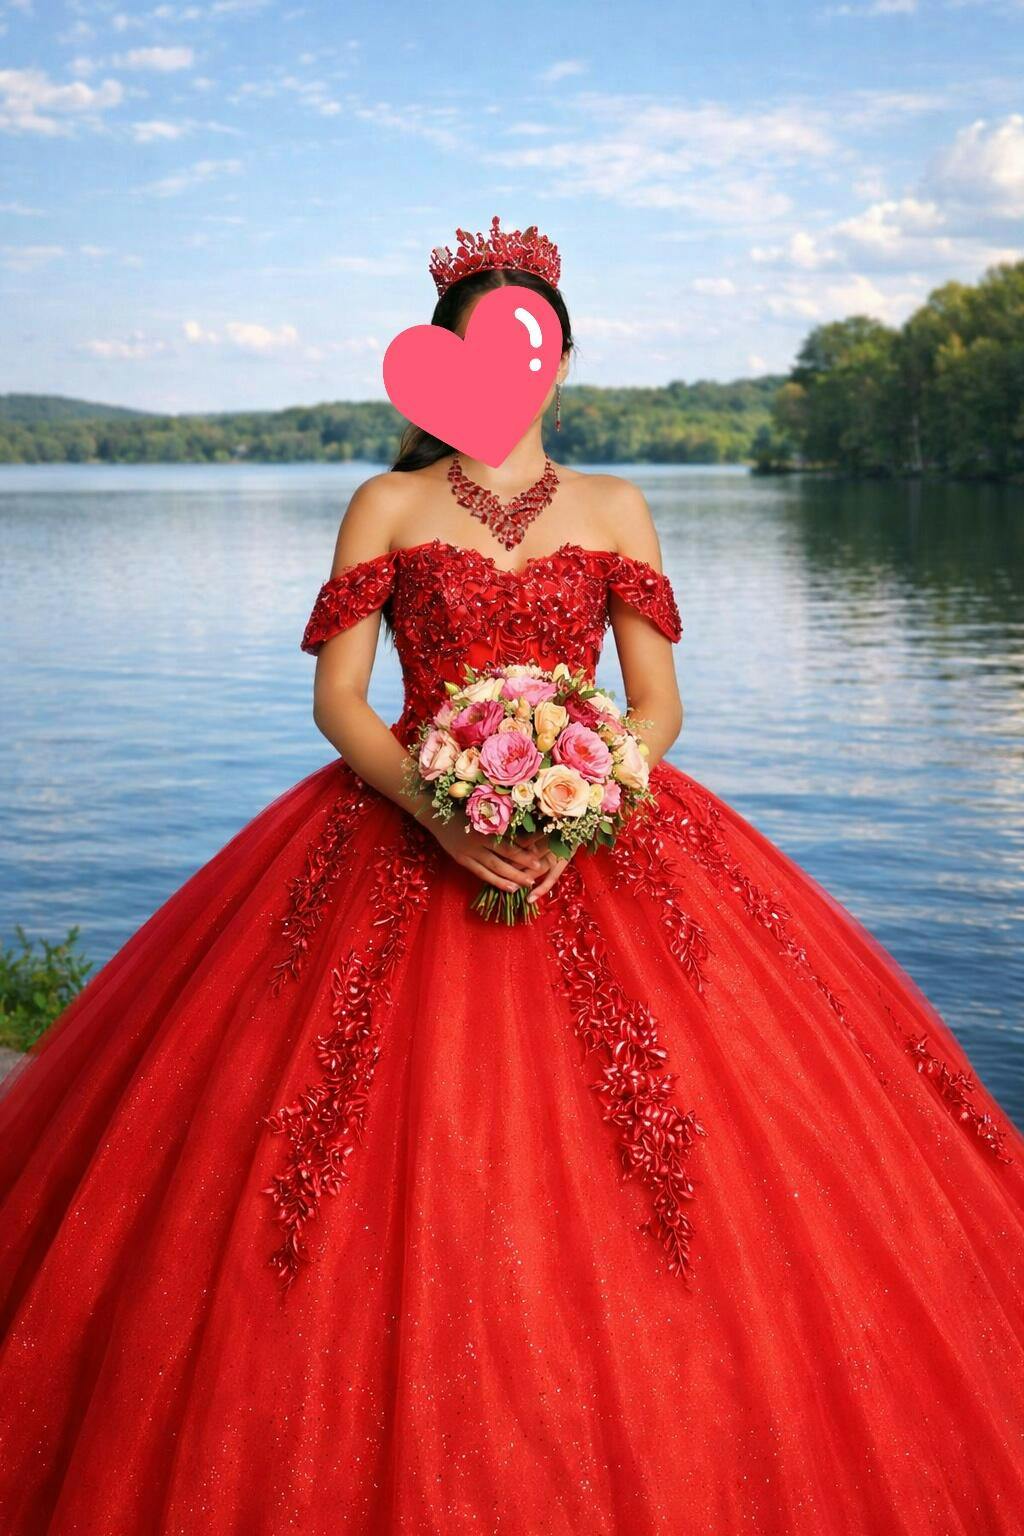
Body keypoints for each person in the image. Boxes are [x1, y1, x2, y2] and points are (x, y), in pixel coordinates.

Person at [1, 216, 1022, 1536]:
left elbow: (658, 704)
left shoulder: (615, 507)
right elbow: (339, 700)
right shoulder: (387, 506)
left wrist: (590, 783)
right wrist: (440, 810)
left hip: (601, 834)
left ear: (563, 359)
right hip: (404, 822)